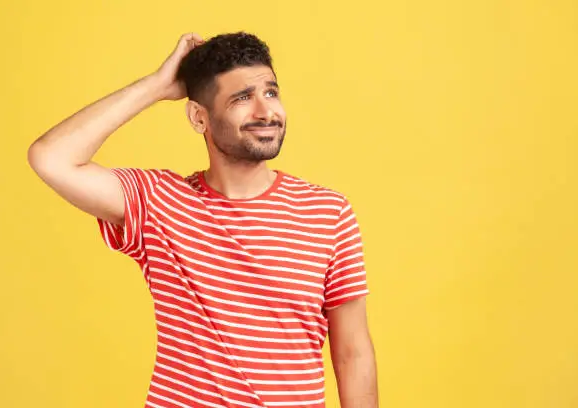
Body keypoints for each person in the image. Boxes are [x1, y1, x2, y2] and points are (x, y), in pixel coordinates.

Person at [28, 31, 378, 408]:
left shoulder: (327, 212)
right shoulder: (159, 201)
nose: (266, 111)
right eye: (243, 98)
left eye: (271, 93)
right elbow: (51, 157)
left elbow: (353, 352)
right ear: (199, 117)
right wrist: (156, 86)